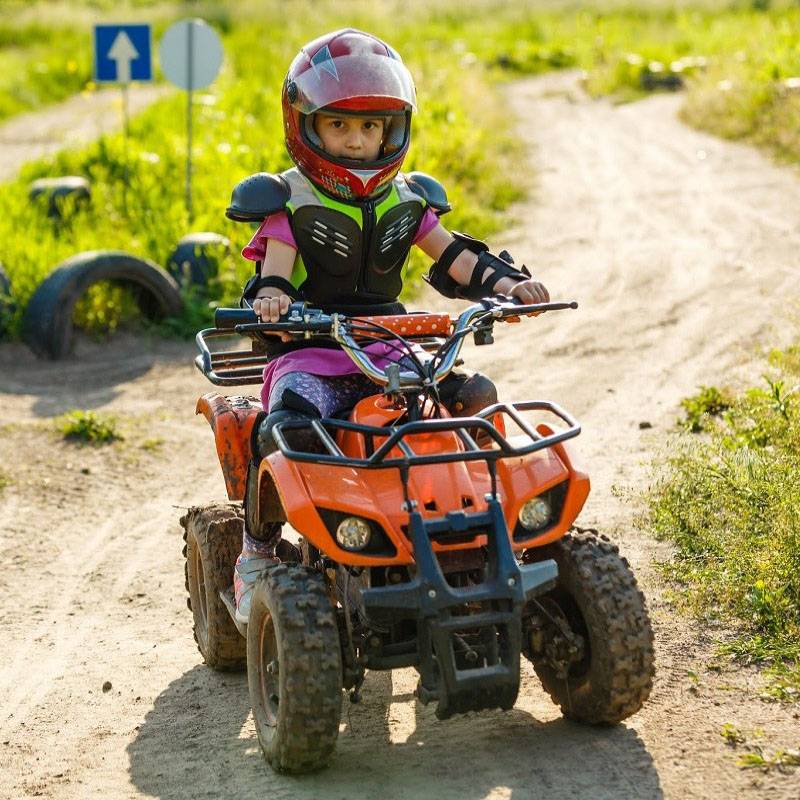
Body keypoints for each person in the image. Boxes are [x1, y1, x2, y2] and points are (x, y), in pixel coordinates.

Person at [230, 28, 550, 622]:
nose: (356, 140)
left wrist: (509, 286)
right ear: (306, 125)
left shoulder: (407, 198)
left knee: (472, 398)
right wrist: (272, 299)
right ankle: (257, 554)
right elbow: (273, 274)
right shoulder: (287, 200)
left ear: (393, 128)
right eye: (339, 125)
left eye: (371, 126)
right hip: (312, 351)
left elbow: (456, 257)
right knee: (287, 427)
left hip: (389, 348)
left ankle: (489, 526)